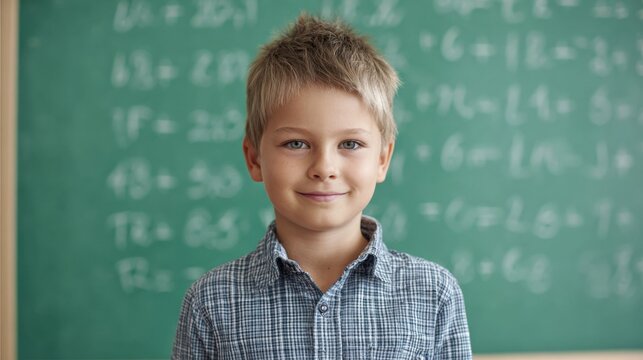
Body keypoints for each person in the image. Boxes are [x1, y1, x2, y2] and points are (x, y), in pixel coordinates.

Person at [172, 13, 472, 359]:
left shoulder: (433, 293)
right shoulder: (211, 301)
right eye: (296, 144)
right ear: (254, 158)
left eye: (350, 144)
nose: (324, 168)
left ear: (382, 159)